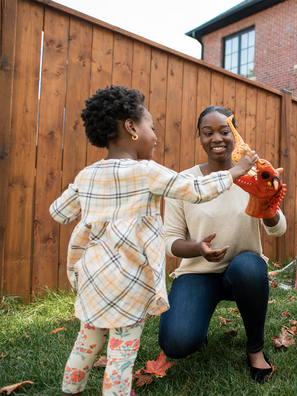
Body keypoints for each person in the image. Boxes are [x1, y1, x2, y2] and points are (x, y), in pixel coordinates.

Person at [50, 86, 257, 396]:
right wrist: (238, 169)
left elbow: (59, 213)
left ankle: (71, 389)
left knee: (88, 339)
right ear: (132, 128)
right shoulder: (146, 172)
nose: (156, 136)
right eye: (151, 127)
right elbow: (197, 190)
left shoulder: (87, 175)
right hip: (129, 281)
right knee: (122, 350)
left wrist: (90, 190)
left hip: (92, 277)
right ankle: (118, 391)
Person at [158, 106, 286, 384]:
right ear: (200, 138)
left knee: (250, 266)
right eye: (208, 133)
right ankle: (197, 320)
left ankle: (255, 350)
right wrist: (197, 249)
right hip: (197, 273)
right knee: (177, 345)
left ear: (235, 135)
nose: (217, 138)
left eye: (224, 131)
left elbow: (278, 229)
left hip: (242, 271)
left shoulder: (255, 175)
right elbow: (169, 241)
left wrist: (269, 209)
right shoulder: (184, 182)